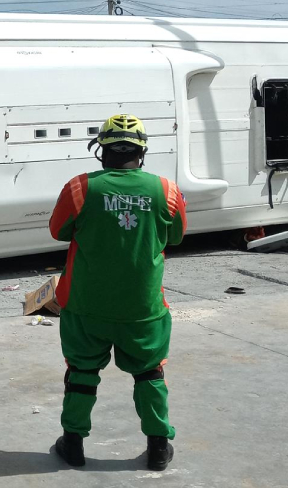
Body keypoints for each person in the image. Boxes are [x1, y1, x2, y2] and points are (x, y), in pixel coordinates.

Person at [47, 114, 186, 471]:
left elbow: (58, 231)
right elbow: (175, 236)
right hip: (143, 308)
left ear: (101, 150)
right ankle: (158, 447)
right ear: (142, 151)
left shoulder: (80, 188)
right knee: (149, 373)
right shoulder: (166, 190)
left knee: (81, 372)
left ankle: (73, 444)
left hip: (85, 305)